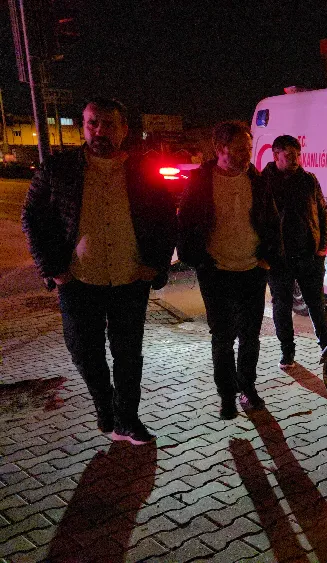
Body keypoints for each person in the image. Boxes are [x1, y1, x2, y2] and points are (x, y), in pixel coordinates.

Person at [22, 98, 177, 444]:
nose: (99, 131)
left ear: (123, 130)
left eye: (108, 124)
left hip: (129, 278)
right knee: (83, 350)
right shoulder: (58, 168)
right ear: (84, 126)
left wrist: (154, 264)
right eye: (93, 123)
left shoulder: (142, 171)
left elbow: (167, 219)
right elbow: (32, 217)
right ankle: (105, 405)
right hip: (78, 280)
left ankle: (127, 419)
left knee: (128, 355)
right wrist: (53, 269)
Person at [177, 121, 280, 420]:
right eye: (239, 149)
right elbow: (185, 225)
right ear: (220, 149)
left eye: (248, 148)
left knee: (251, 336)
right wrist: (200, 260)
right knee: (222, 337)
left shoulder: (257, 181)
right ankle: (226, 395)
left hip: (252, 269)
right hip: (216, 272)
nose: (247, 154)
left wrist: (267, 259)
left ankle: (247, 387)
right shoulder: (201, 182)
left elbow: (273, 222)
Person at [262, 135, 327, 367]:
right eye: (289, 155)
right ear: (276, 155)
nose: (295, 159)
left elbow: (322, 213)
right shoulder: (264, 182)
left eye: (297, 155)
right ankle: (287, 351)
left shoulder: (308, 180)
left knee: (316, 304)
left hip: (308, 255)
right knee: (281, 306)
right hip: (279, 258)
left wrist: (322, 247)